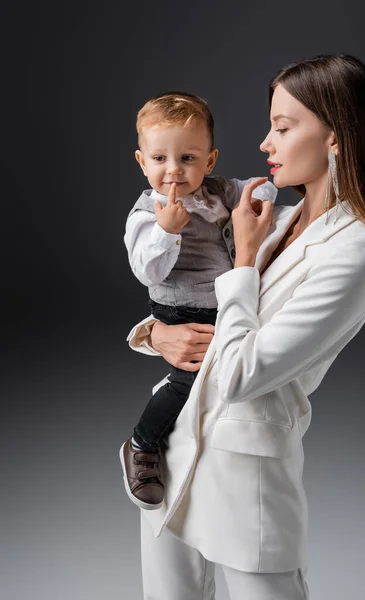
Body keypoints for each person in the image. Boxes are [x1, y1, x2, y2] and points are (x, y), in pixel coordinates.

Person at [123, 55, 365, 600]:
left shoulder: (358, 250)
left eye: (282, 127)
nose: (265, 144)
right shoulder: (282, 219)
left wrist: (246, 259)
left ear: (335, 137)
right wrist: (156, 334)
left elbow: (245, 372)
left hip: (245, 478)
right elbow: (210, 313)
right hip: (174, 456)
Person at [119, 91, 277, 510]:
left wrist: (265, 195)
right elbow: (147, 273)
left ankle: (205, 458)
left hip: (225, 302)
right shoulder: (144, 215)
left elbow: (254, 193)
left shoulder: (217, 191)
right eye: (160, 160)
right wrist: (167, 231)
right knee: (189, 383)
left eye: (188, 158)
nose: (173, 171)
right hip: (180, 309)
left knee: (229, 381)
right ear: (142, 162)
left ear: (209, 160)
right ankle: (141, 444)